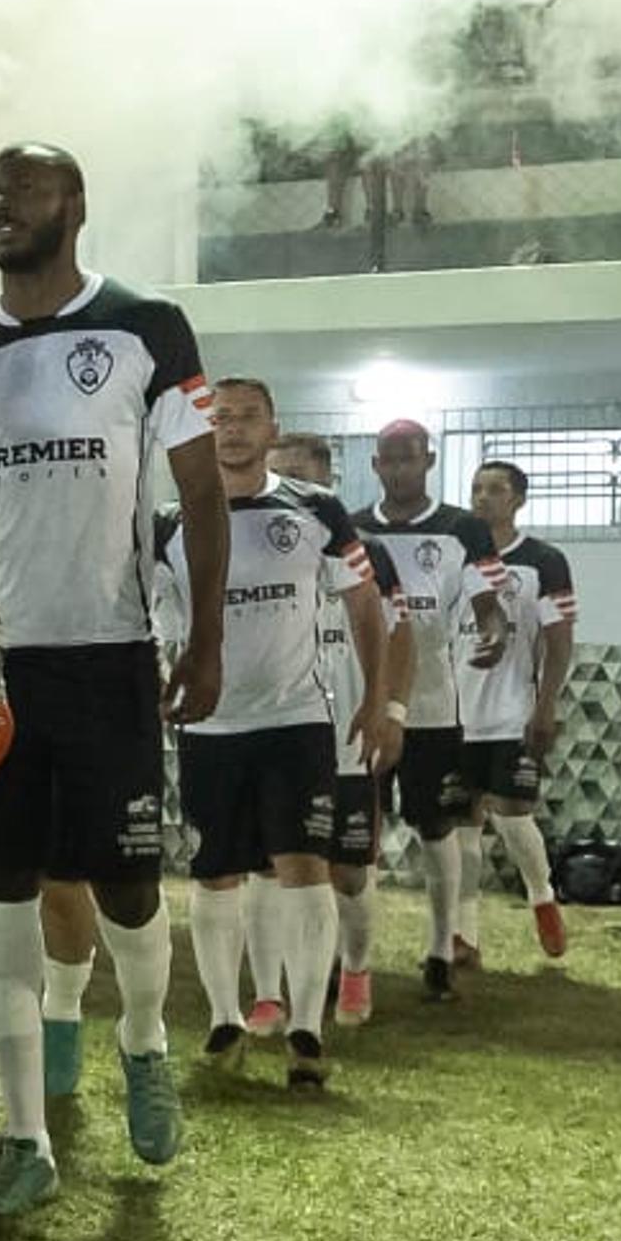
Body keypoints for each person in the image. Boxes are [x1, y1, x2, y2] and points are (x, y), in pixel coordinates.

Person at [0, 143, 225, 1216]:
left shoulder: (146, 326)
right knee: (0, 892)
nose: (3, 203)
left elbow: (202, 490)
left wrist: (208, 635)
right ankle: (26, 1137)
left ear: (74, 206)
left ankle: (142, 1036)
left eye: (25, 188)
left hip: (110, 656)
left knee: (125, 887)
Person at [160, 382, 386, 1086]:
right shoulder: (171, 520)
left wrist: (378, 698)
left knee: (302, 867)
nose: (230, 430)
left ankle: (306, 1031)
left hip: (296, 721)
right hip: (209, 723)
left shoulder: (314, 508)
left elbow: (364, 605)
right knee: (214, 872)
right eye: (218, 419)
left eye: (246, 417)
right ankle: (226, 1018)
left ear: (272, 428)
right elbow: (148, 616)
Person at [358, 421, 511, 1006]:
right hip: (366, 706)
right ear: (376, 465)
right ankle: (355, 958)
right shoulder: (354, 528)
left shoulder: (462, 529)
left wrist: (494, 631)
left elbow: (487, 604)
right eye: (389, 460)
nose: (399, 469)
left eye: (410, 459)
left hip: (432, 707)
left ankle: (441, 949)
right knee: (359, 836)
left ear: (429, 460)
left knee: (436, 827)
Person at [271, 430, 408, 1025]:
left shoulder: (368, 552)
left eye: (300, 478)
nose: (289, 491)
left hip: (348, 740)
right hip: (277, 733)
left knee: (349, 873)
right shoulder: (251, 537)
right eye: (281, 478)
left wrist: (390, 709)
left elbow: (403, 636)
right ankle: (284, 987)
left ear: (327, 483)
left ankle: (355, 969)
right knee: (281, 868)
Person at [455, 458, 575, 967]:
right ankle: (463, 936)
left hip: (511, 712)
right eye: (478, 489)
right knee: (459, 826)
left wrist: (545, 704)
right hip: (454, 714)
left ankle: (542, 896)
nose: (484, 498)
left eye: (496, 490)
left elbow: (559, 639)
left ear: (518, 499)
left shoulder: (542, 560)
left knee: (512, 817)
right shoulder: (452, 555)